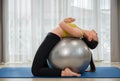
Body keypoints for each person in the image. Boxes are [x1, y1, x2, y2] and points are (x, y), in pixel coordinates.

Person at [31, 17, 98, 77]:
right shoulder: (80, 31)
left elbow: (61, 24)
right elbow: (65, 29)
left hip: (52, 38)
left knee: (35, 70)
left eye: (96, 37)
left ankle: (63, 73)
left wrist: (64, 21)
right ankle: (62, 72)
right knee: (42, 66)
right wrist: (66, 22)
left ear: (90, 38)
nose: (97, 34)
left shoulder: (79, 33)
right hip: (52, 38)